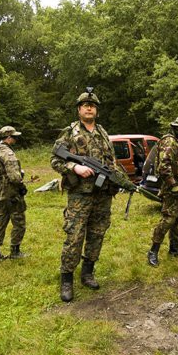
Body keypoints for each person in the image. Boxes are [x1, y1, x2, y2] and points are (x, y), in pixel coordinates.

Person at [51, 89, 118, 302]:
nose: (89, 108)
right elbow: (55, 160)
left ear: (96, 110)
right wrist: (74, 167)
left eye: (93, 106)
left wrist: (116, 178)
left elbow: (111, 161)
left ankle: (87, 273)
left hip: (102, 195)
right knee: (74, 236)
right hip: (80, 195)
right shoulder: (69, 132)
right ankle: (67, 279)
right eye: (85, 105)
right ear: (79, 109)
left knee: (97, 234)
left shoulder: (103, 133)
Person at [147, 116, 178, 266]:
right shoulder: (169, 142)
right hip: (172, 186)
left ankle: (174, 249)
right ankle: (153, 251)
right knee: (168, 219)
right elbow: (164, 167)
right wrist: (173, 186)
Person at [0, 126, 28, 261]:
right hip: (11, 192)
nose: (16, 139)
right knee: (19, 222)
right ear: (8, 138)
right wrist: (21, 186)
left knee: (0, 222)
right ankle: (15, 251)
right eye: (14, 137)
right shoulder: (7, 152)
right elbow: (14, 176)